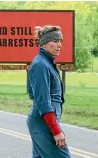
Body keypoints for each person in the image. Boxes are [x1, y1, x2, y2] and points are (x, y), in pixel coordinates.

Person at [26, 25, 71, 158]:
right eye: (55, 41)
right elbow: (43, 102)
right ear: (44, 44)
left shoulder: (46, 63)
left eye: (60, 41)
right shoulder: (41, 65)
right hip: (44, 124)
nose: (59, 45)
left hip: (43, 122)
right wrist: (56, 131)